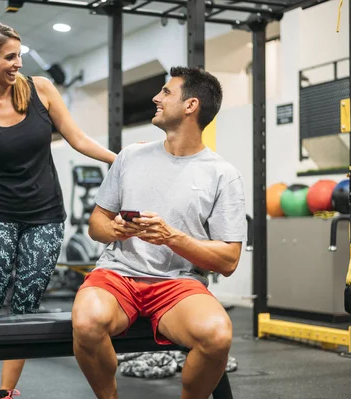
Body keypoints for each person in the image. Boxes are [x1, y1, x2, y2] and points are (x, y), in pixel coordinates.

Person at [0, 21, 117, 399]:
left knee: (25, 305)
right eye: (9, 57)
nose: (18, 63)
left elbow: (78, 138)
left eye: (19, 55)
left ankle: (6, 392)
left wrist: (118, 160)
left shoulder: (40, 90)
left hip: (45, 215)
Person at [71, 66, 247, 399]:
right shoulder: (131, 157)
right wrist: (116, 229)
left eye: (166, 92)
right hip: (117, 276)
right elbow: (97, 224)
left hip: (177, 284)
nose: (156, 97)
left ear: (190, 105)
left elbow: (229, 260)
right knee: (86, 322)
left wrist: (172, 238)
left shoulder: (223, 175)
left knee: (217, 335)